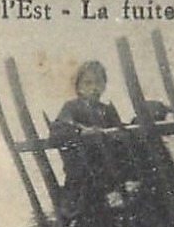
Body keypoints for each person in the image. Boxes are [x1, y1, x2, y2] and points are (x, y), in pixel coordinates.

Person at [50, 60, 127, 212]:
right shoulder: (72, 107)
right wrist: (81, 131)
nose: (94, 88)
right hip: (83, 174)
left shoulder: (107, 110)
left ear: (105, 85)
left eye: (99, 82)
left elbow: (120, 132)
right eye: (88, 83)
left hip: (108, 171)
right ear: (78, 87)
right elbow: (58, 130)